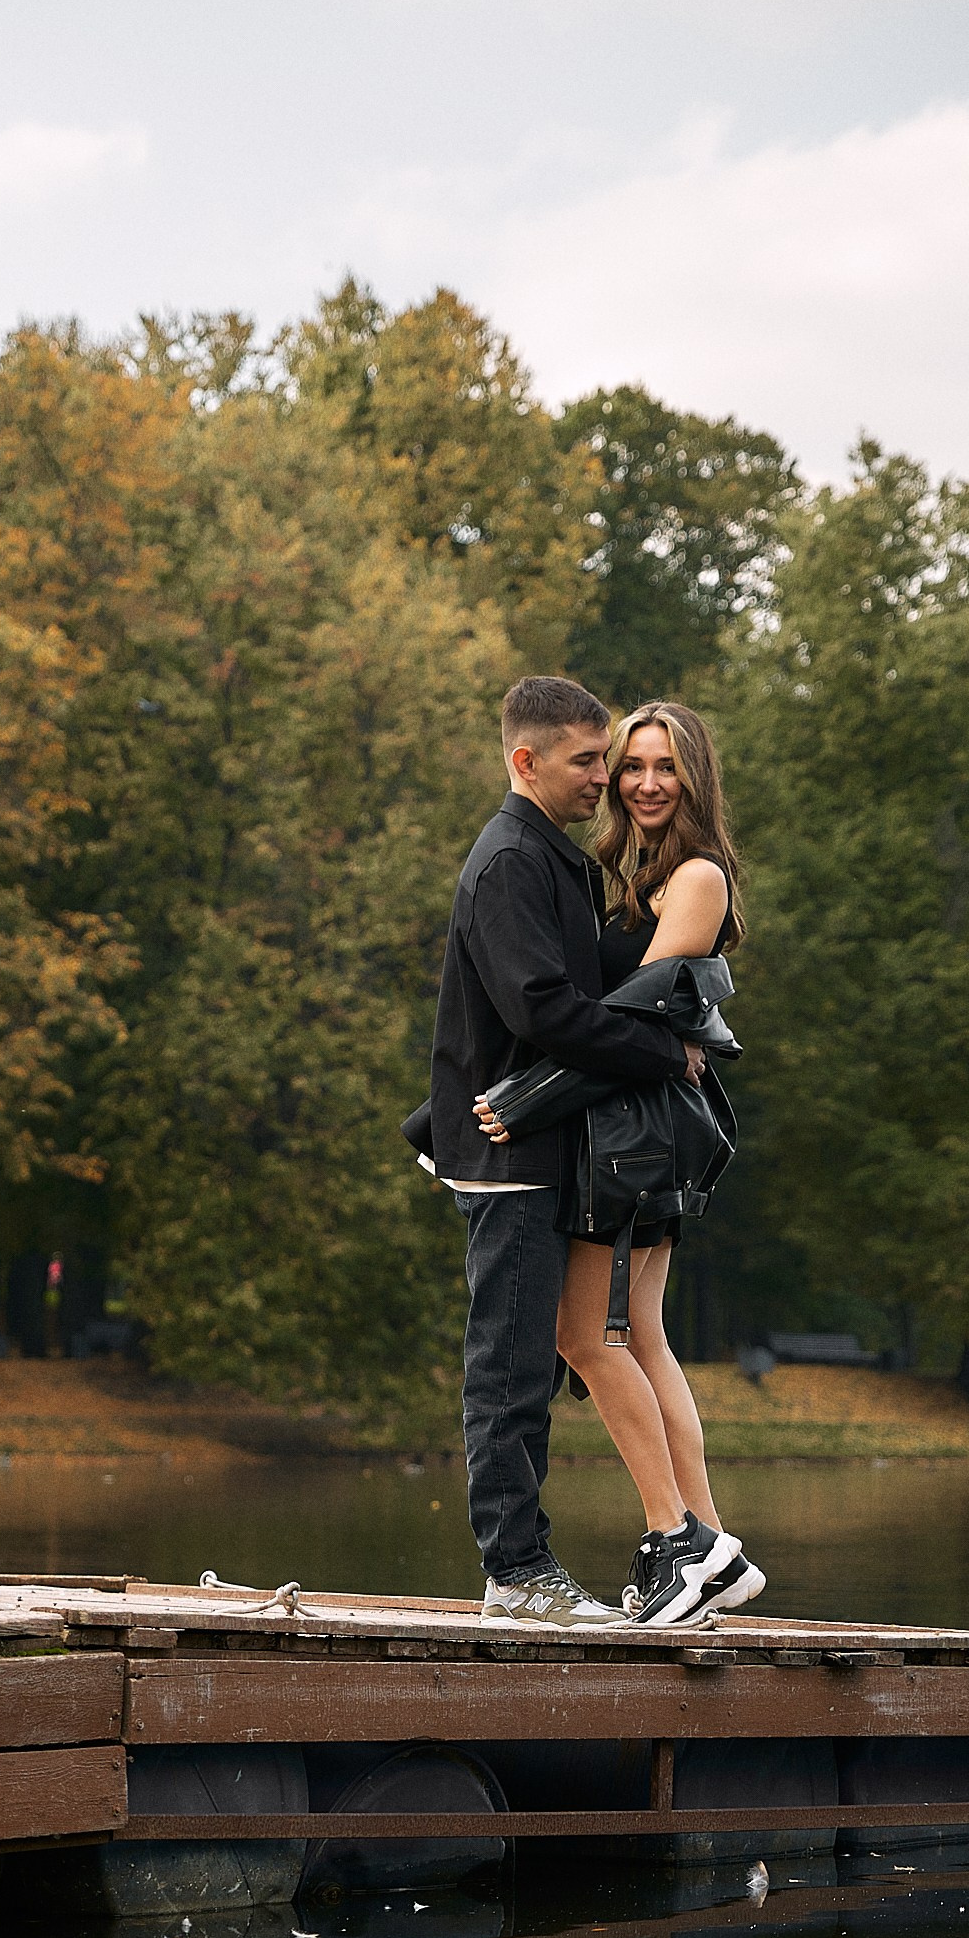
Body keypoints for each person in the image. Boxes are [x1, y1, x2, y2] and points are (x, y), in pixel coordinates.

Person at [428, 677, 738, 1627]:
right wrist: (664, 1045)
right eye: (599, 762)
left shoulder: (577, 865)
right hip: (531, 1150)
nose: (615, 780)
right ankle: (545, 1565)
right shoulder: (521, 864)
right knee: (527, 1361)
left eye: (642, 764)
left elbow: (601, 997)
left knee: (567, 1349)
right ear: (526, 762)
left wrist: (683, 1024)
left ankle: (678, 1546)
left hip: (578, 1145)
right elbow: (544, 1013)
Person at [547, 702, 765, 1625]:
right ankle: (711, 1550)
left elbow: (641, 1010)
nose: (643, 782)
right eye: (631, 765)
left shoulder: (699, 877)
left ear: (695, 777)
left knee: (583, 1336)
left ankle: (682, 1537)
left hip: (641, 1134)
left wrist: (532, 1075)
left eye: (664, 766)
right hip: (630, 1122)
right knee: (639, 1334)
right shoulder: (634, 874)